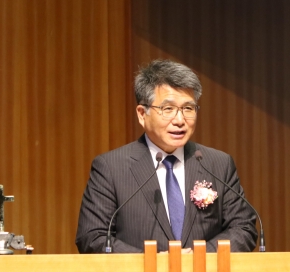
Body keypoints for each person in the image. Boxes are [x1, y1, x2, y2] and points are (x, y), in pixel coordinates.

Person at [75, 59, 257, 253]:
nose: (179, 120)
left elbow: (243, 228)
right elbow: (92, 237)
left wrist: (197, 258)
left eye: (188, 108)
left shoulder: (218, 164)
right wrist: (154, 263)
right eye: (167, 109)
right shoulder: (111, 168)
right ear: (142, 114)